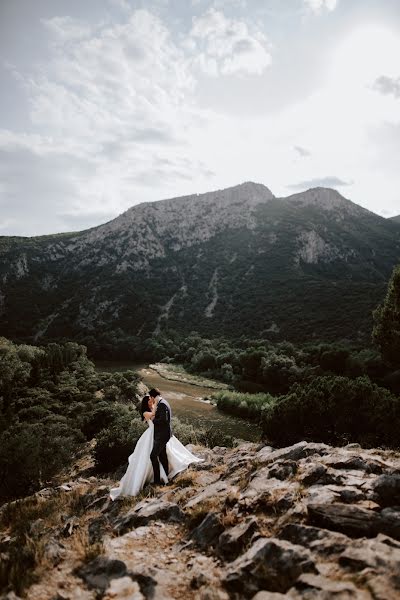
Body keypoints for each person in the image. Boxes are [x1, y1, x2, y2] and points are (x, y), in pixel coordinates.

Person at [109, 390, 203, 500]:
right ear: (146, 402)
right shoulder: (145, 412)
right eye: (149, 399)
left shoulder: (158, 405)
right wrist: (156, 404)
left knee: (161, 454)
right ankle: (156, 479)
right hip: (151, 435)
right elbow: (153, 415)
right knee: (152, 456)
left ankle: (162, 477)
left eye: (151, 398)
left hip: (158, 434)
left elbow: (159, 416)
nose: (151, 400)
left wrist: (156, 403)